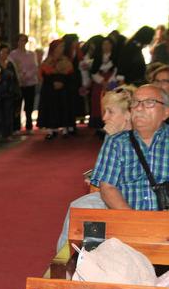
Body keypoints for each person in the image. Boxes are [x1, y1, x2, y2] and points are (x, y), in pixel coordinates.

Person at [55, 86, 134, 251]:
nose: (104, 117)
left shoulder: (133, 138)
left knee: (81, 209)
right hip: (115, 194)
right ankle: (75, 259)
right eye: (104, 111)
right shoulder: (115, 134)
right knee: (78, 206)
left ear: (128, 114)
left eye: (110, 112)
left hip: (125, 200)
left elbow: (108, 183)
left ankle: (74, 261)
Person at [92, 84, 169, 210]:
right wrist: (132, 220)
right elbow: (108, 187)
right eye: (135, 103)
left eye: (149, 102)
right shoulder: (116, 143)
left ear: (166, 112)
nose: (139, 108)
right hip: (128, 218)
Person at [37, 39, 74, 140]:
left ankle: (65, 128)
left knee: (63, 106)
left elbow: (70, 74)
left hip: (63, 88)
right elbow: (43, 74)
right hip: (50, 88)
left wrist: (62, 82)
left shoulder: (66, 60)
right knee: (50, 107)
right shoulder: (47, 60)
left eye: (63, 46)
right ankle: (51, 129)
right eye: (60, 46)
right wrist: (52, 82)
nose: (62, 48)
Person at [9, 34, 38, 133]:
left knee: (29, 104)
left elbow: (34, 67)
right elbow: (12, 67)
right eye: (20, 40)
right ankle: (16, 126)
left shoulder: (31, 54)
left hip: (30, 82)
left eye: (24, 40)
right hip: (18, 83)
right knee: (17, 105)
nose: (22, 42)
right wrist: (20, 76)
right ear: (17, 42)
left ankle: (29, 124)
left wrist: (27, 76)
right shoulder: (13, 54)